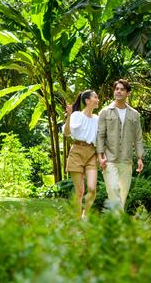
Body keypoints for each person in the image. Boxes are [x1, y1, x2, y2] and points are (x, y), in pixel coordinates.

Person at [96, 79, 144, 212]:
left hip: (126, 160)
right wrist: (100, 156)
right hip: (109, 159)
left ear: (128, 93)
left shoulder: (134, 114)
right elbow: (100, 135)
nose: (118, 91)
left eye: (122, 89)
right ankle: (120, 224)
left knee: (122, 195)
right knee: (113, 190)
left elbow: (138, 138)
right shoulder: (105, 112)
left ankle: (117, 223)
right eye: (116, 89)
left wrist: (139, 158)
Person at [63, 90, 100, 218]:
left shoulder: (97, 119)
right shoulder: (77, 115)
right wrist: (69, 116)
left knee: (92, 189)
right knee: (80, 191)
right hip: (76, 152)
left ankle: (85, 215)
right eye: (95, 97)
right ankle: (78, 219)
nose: (98, 100)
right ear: (87, 101)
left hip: (91, 153)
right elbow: (67, 133)